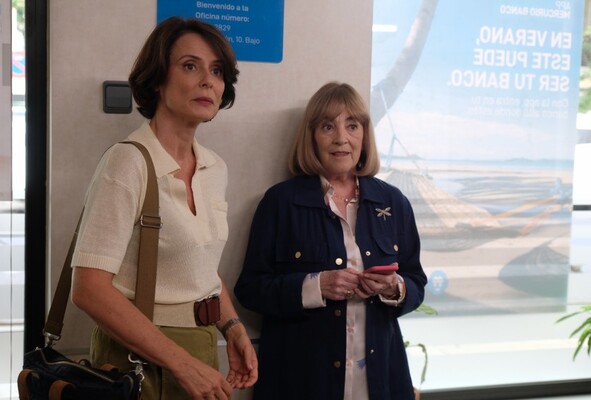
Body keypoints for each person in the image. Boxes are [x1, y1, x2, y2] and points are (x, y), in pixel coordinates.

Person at [70, 17, 257, 400]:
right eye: (190, 66)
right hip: (139, 358)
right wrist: (181, 363)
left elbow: (200, 268)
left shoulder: (215, 168)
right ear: (157, 79)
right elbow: (88, 289)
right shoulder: (128, 163)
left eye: (217, 71)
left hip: (202, 344)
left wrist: (233, 327)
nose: (208, 81)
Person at [234, 82, 427, 400]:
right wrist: (316, 286)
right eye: (327, 127)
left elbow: (416, 282)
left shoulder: (393, 202)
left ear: (364, 135)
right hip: (300, 385)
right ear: (311, 137)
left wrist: (394, 288)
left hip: (380, 385)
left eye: (352, 126)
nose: (341, 138)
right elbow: (251, 290)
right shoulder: (280, 202)